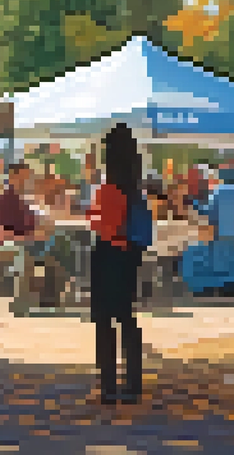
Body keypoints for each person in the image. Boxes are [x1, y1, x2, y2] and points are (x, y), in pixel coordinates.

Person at [88, 123, 147, 405]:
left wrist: (93, 217)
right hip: (130, 254)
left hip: (108, 252)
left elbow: (103, 225)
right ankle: (134, 382)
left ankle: (108, 384)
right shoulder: (136, 189)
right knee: (127, 316)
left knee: (104, 320)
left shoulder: (108, 189)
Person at [181, 164, 234, 296]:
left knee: (220, 264)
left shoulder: (218, 191)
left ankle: (219, 287)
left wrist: (194, 204)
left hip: (221, 235)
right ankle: (233, 288)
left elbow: (210, 212)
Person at [0, 162, 45, 315]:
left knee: (63, 249)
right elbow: (2, 234)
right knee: (25, 256)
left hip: (29, 242)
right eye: (24, 177)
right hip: (11, 245)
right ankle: (21, 304)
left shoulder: (25, 200)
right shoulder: (4, 200)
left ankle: (51, 299)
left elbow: (34, 224)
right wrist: (31, 236)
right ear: (13, 177)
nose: (28, 180)